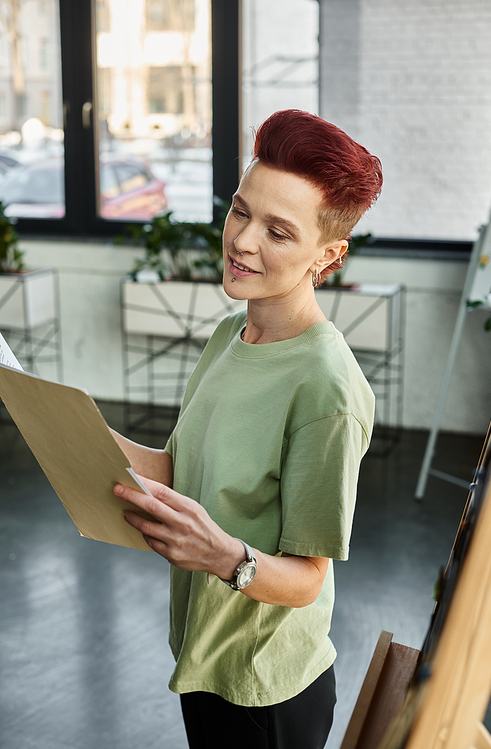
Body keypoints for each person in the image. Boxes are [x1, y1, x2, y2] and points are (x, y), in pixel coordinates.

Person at [111, 109, 383, 749]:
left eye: (279, 231)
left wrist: (224, 557)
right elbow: (185, 471)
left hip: (266, 687)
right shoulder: (231, 334)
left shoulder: (328, 388)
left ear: (328, 255)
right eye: (241, 211)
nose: (242, 240)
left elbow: (308, 576)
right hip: (206, 656)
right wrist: (57, 421)